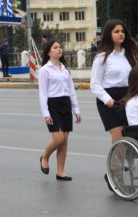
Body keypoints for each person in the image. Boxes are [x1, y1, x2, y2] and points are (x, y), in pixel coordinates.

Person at [91, 19, 138, 190]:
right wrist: (108, 100)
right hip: (109, 99)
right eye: (116, 31)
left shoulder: (128, 55)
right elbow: (95, 84)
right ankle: (114, 173)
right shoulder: (102, 57)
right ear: (109, 35)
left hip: (127, 97)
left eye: (122, 31)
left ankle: (122, 168)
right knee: (119, 137)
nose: (121, 34)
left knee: (130, 137)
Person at [38, 40, 82, 181]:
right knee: (58, 138)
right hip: (53, 105)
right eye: (55, 47)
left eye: (60, 47)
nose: (59, 49)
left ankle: (60, 171)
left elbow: (71, 91)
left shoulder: (65, 69)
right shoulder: (45, 70)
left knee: (64, 141)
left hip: (65, 104)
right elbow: (43, 93)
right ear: (49, 52)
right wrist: (46, 113)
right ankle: (45, 156)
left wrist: (76, 110)